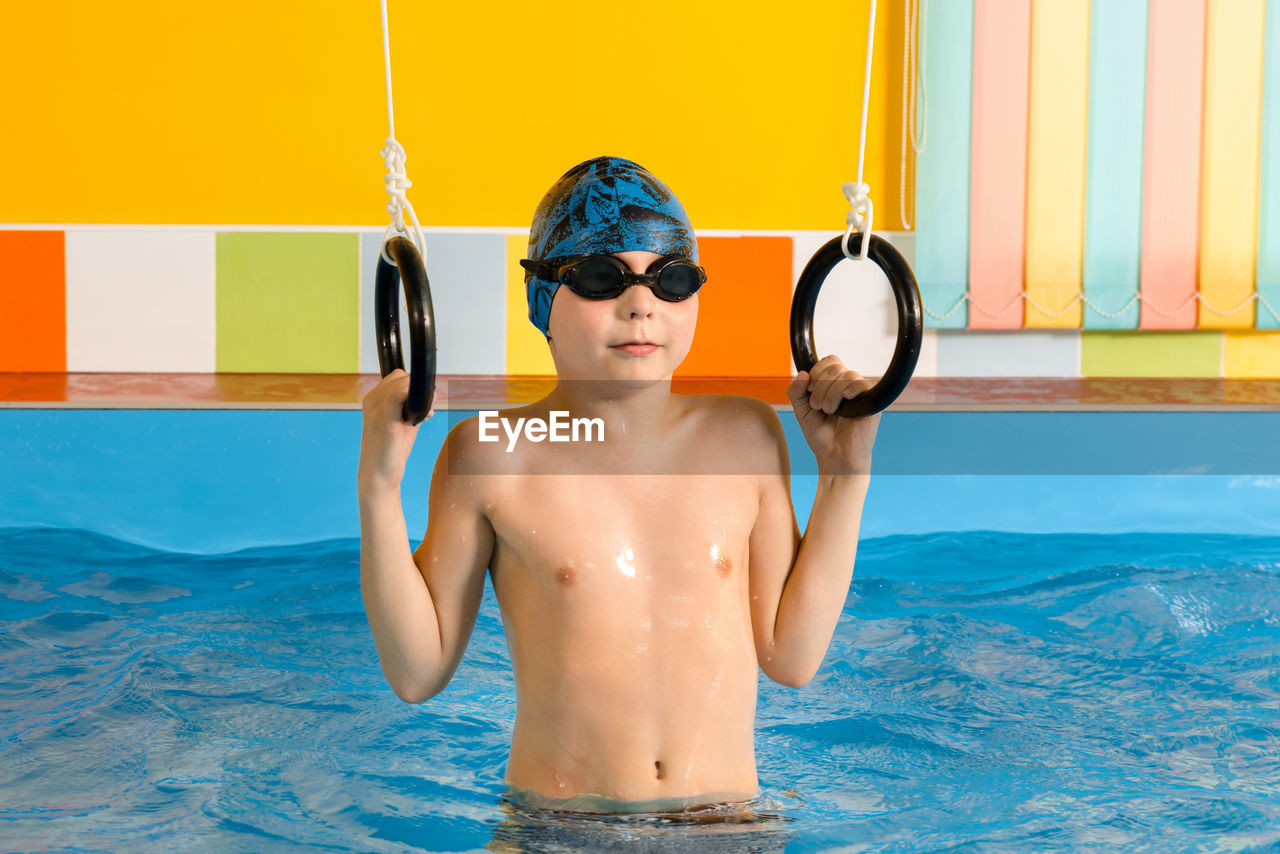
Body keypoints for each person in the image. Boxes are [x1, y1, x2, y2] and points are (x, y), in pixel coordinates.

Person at [358, 156, 880, 815]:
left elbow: (793, 657)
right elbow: (416, 673)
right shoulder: (492, 455)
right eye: (603, 278)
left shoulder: (743, 436)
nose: (641, 305)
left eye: (671, 279)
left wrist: (845, 475)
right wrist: (378, 488)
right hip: (565, 825)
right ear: (542, 299)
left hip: (726, 824)